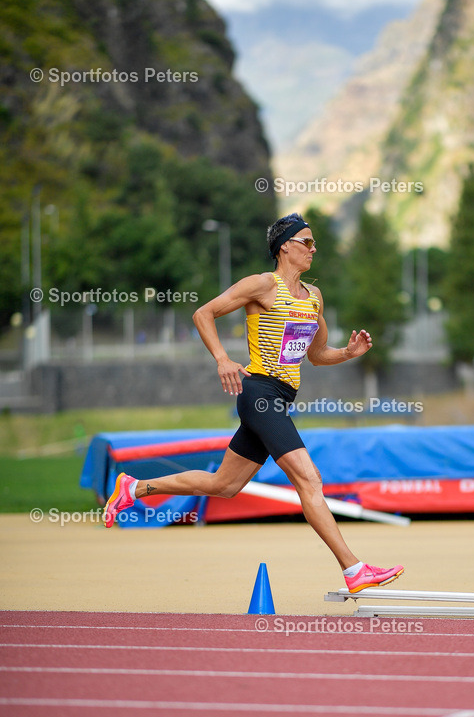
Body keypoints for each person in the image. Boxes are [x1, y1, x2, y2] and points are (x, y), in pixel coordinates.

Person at [104, 212, 404, 593]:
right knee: (309, 479)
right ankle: (353, 569)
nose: (314, 249)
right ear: (285, 247)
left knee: (224, 485)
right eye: (307, 242)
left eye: (314, 243)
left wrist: (349, 351)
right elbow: (203, 313)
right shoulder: (263, 285)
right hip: (259, 394)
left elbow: (317, 354)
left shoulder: (314, 297)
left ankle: (134, 488)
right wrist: (222, 359)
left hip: (280, 398)